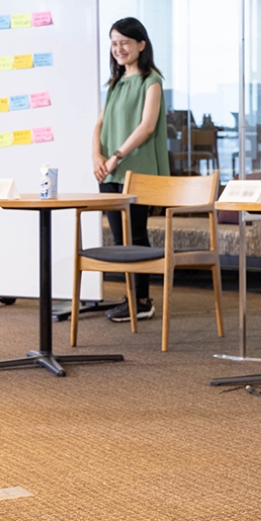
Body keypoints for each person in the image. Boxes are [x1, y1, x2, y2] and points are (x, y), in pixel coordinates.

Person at [92, 17, 169, 323]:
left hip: (136, 170)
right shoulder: (113, 84)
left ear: (141, 45)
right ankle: (130, 298)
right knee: (119, 239)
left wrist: (115, 156)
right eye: (113, 43)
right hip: (109, 171)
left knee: (135, 234)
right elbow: (100, 123)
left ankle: (143, 300)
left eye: (124, 42)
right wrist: (96, 154)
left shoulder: (152, 82)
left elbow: (147, 127)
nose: (118, 48)